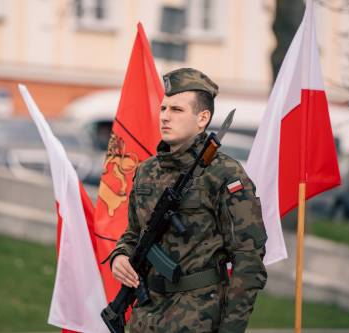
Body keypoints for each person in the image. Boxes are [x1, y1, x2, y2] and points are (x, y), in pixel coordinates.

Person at [108, 68, 267, 332]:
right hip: (145, 316)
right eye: (163, 109)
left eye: (177, 110)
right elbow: (134, 232)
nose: (165, 117)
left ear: (202, 118)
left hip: (197, 317)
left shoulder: (225, 174)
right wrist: (120, 256)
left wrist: (230, 329)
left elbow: (248, 260)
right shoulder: (147, 171)